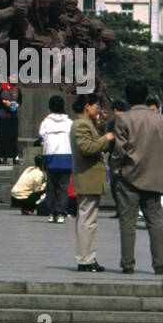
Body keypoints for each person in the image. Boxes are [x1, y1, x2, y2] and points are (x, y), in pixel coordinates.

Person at [111, 83, 163, 275]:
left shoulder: (124, 119)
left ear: (128, 98)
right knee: (156, 221)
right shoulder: (159, 119)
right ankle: (159, 264)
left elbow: (119, 150)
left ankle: (128, 264)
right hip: (154, 177)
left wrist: (115, 169)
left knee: (127, 221)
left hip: (129, 176)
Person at [71, 96, 113, 272]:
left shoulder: (87, 124)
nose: (98, 109)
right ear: (87, 106)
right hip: (87, 177)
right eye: (96, 106)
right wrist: (107, 138)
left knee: (88, 219)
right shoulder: (80, 124)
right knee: (87, 220)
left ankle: (88, 257)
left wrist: (99, 123)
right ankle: (85, 259)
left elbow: (93, 138)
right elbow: (87, 148)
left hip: (90, 178)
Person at [37, 94, 73, 223]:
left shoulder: (46, 122)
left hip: (50, 156)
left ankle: (51, 212)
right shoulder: (69, 123)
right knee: (64, 186)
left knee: (51, 186)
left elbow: (41, 136)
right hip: (66, 157)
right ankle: (61, 213)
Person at [0, 79, 22, 164]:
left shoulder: (16, 87)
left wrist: (18, 104)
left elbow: (20, 100)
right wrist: (4, 101)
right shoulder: (0, 86)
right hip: (3, 115)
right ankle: (3, 157)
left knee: (13, 136)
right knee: (3, 136)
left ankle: (15, 156)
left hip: (13, 115)